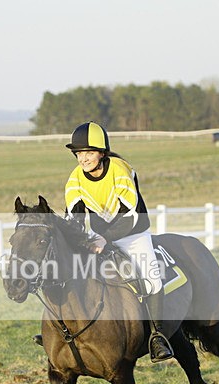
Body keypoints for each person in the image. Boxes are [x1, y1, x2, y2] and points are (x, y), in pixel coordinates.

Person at [48, 121, 172, 361]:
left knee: (150, 277)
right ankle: (58, 331)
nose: (83, 159)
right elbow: (73, 218)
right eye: (79, 154)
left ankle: (158, 336)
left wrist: (105, 238)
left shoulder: (119, 169)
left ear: (102, 153)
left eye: (89, 153)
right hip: (98, 237)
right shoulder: (75, 179)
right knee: (70, 271)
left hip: (133, 234)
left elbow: (131, 216)